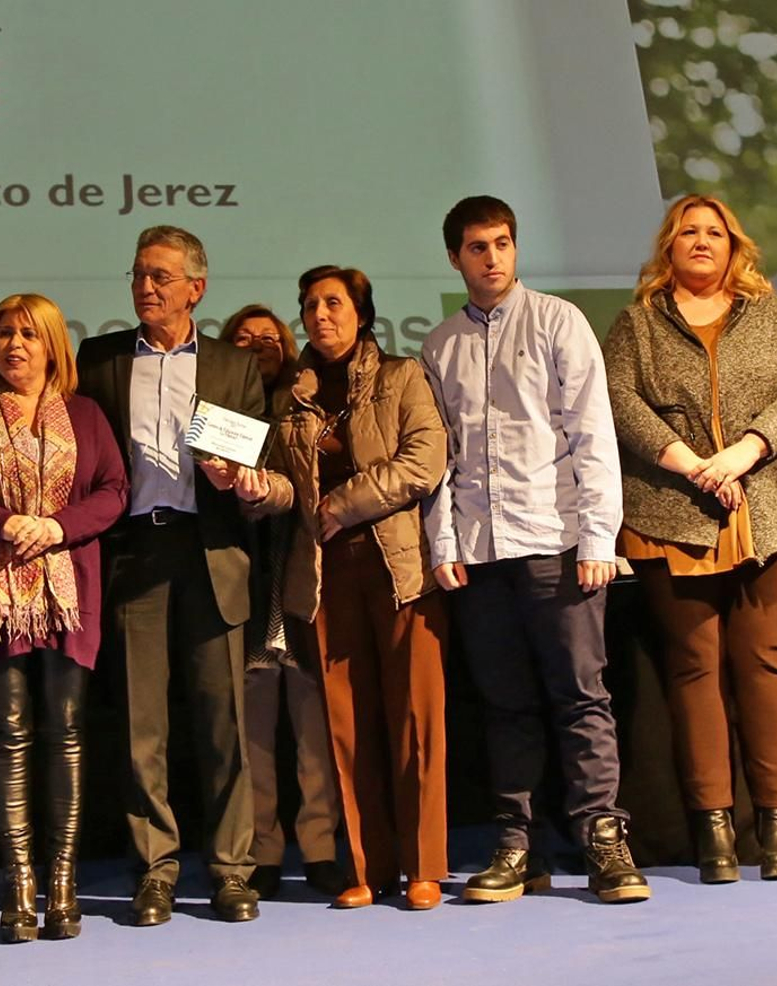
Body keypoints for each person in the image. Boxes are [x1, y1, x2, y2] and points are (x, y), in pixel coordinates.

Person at [420, 195, 650, 904]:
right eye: (478, 247)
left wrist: (598, 539)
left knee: (581, 696)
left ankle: (604, 840)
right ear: (455, 257)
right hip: (482, 553)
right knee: (505, 705)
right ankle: (518, 843)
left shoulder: (558, 321)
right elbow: (443, 460)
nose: (492, 258)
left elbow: (592, 435)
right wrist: (443, 544)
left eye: (502, 244)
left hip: (558, 543)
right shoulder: (438, 344)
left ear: (515, 249)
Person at [603, 194, 777, 883]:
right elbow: (619, 401)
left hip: (771, 507)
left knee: (766, 661)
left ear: (735, 246)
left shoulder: (772, 313)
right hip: (670, 508)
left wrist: (744, 453)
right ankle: (716, 838)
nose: (702, 241)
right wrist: (694, 465)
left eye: (715, 232)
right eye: (688, 232)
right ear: (668, 247)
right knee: (693, 666)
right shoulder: (636, 324)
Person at [234, 268, 450, 910]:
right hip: (321, 579)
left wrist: (344, 503)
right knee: (344, 728)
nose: (320, 314)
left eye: (334, 303)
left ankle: (423, 867)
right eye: (309, 305)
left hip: (397, 570)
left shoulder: (402, 376)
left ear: (361, 312)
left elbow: (425, 459)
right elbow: (280, 488)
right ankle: (366, 866)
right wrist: (251, 491)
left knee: (414, 721)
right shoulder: (290, 398)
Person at [0, 293, 128, 941]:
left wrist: (55, 528)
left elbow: (114, 492)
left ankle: (62, 884)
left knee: (65, 732)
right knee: (8, 734)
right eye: (5, 333)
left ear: (52, 346)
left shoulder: (88, 415)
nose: (14, 345)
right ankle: (20, 887)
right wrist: (5, 522)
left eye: (29, 335)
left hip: (70, 594)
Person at [75, 225, 264, 925]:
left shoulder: (230, 366)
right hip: (134, 554)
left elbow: (256, 450)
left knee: (224, 726)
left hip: (211, 551)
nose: (145, 287)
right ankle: (154, 868)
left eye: (159, 276)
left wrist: (237, 477)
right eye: (138, 275)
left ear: (196, 289)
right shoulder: (99, 360)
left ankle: (232, 870)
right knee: (139, 728)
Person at [217, 304, 340, 898]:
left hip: (300, 578)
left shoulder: (302, 408)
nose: (257, 344)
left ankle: (320, 848)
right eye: (242, 338)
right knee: (252, 736)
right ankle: (262, 849)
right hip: (240, 583)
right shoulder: (213, 417)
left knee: (314, 730)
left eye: (268, 336)